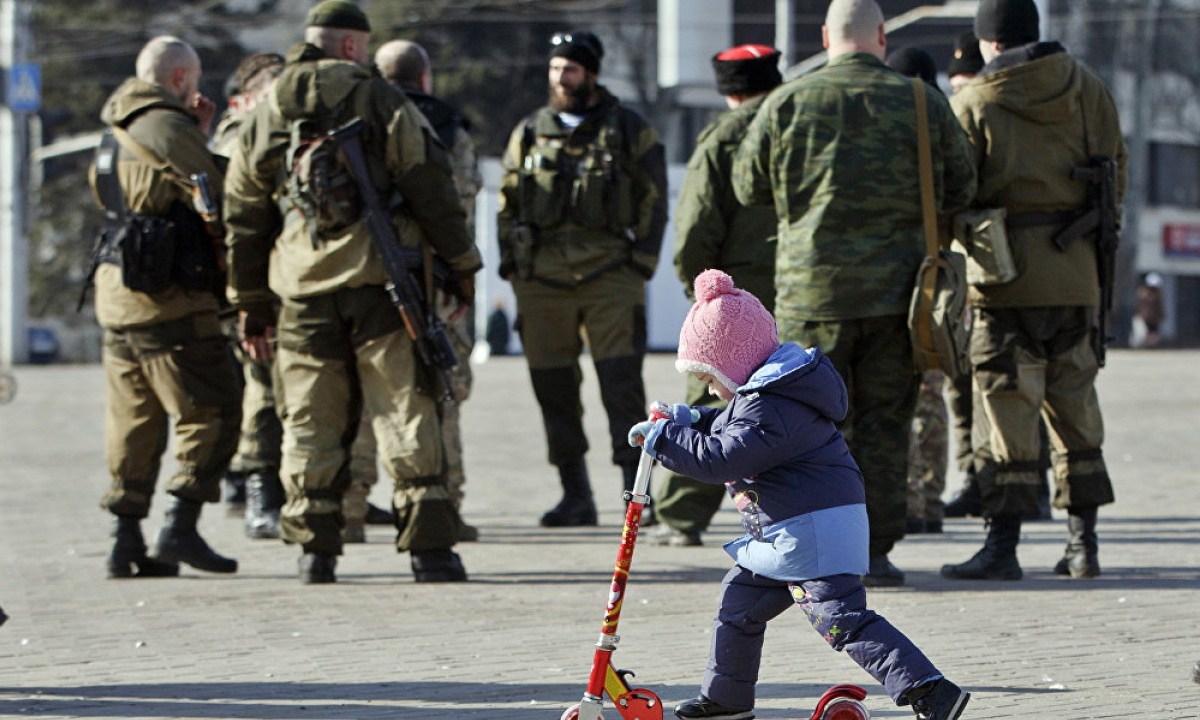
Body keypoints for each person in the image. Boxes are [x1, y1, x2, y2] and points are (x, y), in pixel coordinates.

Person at [628, 270, 970, 720]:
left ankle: (930, 689)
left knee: (841, 618)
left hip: (815, 534)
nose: (711, 389)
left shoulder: (770, 406)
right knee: (740, 604)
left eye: (710, 378)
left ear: (734, 366)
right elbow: (730, 424)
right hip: (792, 535)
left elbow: (723, 457)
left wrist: (665, 440)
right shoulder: (769, 394)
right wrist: (690, 417)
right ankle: (727, 700)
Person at [224, 0, 482, 584]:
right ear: (350, 46)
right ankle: (431, 551)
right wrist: (461, 264)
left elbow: (241, 213)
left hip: (299, 296)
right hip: (381, 287)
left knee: (311, 417)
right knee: (404, 409)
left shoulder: (267, 111)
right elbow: (429, 184)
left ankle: (316, 552)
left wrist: (250, 303)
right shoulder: (378, 98)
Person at [733, 0, 976, 586]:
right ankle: (877, 551)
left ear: (824, 36)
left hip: (813, 296)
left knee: (808, 426)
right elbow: (963, 184)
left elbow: (746, 185)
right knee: (888, 422)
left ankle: (810, 549)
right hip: (900, 298)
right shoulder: (920, 100)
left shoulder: (788, 101)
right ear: (882, 39)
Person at [941, 0, 1126, 581]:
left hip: (1003, 283)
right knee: (1076, 405)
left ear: (989, 43)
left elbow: (953, 190)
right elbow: (1116, 168)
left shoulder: (974, 102)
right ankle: (1083, 544)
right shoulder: (1089, 90)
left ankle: (1003, 548)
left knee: (1004, 409)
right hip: (1078, 276)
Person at [496, 30, 667, 528]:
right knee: (553, 387)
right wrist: (513, 266)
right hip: (542, 280)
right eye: (554, 68)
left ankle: (634, 494)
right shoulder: (529, 131)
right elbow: (507, 203)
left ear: (590, 73)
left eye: (569, 68)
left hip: (610, 274)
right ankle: (575, 493)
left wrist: (641, 264)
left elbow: (655, 200)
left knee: (621, 386)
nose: (560, 77)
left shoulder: (629, 128)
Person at [90, 36, 241, 578]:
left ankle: (124, 539)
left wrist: (194, 133)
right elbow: (217, 196)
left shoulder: (114, 129)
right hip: (169, 303)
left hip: (117, 299)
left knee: (135, 422)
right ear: (180, 79)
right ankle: (180, 524)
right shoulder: (165, 127)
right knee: (217, 407)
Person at [334, 38, 484, 544]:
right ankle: (444, 506)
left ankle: (349, 507)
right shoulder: (445, 126)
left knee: (358, 391)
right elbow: (459, 200)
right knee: (440, 391)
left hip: (365, 276)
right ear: (425, 79)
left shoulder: (358, 120)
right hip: (435, 280)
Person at [652, 43, 782, 548]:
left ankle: (684, 515)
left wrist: (702, 296)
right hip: (803, 287)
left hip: (737, 291)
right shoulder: (802, 128)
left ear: (728, 88)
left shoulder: (722, 138)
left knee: (709, 397)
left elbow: (695, 228)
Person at [211, 51, 288, 539]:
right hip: (253, 285)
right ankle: (261, 489)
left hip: (289, 278)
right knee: (261, 390)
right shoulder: (238, 140)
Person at [883, 46, 951, 536]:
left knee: (900, 397)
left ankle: (909, 501)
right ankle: (928, 501)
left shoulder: (893, 119)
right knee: (930, 393)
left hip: (893, 278)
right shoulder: (944, 123)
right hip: (934, 277)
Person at [1133, 272, 1165, 348]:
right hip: (1145, 318)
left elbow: (1160, 307)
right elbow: (1139, 306)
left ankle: (1151, 346)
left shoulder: (1158, 295)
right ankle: (1146, 346)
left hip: (1154, 319)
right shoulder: (1143, 294)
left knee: (1153, 334)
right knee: (1145, 334)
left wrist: (1161, 315)